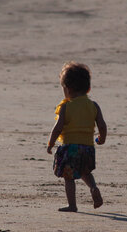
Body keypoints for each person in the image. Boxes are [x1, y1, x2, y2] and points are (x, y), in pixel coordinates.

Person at [47, 62, 107, 212]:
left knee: (69, 177)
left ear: (67, 88)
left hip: (70, 148)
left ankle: (72, 205)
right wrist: (102, 138)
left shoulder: (66, 107)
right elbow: (102, 126)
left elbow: (58, 127)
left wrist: (50, 143)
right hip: (88, 147)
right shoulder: (94, 105)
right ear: (88, 88)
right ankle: (93, 188)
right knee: (85, 172)